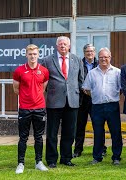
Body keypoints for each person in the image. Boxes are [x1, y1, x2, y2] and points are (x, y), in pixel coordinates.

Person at [42, 36, 84, 168]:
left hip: (72, 101)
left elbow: (81, 79)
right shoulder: (47, 60)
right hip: (54, 101)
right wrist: (53, 91)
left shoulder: (77, 60)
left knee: (69, 132)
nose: (63, 46)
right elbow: (43, 81)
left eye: (65, 44)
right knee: (52, 133)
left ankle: (66, 158)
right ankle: (51, 160)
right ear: (56, 46)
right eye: (60, 44)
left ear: (69, 46)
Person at [82, 47, 123, 165]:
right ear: (98, 58)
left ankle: (116, 157)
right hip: (97, 107)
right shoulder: (92, 73)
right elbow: (86, 89)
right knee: (98, 133)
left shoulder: (117, 72)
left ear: (110, 58)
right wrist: (97, 95)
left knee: (115, 132)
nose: (103, 59)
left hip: (112, 106)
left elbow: (121, 89)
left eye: (106, 57)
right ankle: (97, 157)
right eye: (101, 57)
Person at [13, 44, 50, 174]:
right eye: (30, 54)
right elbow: (16, 89)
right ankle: (20, 163)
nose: (32, 56)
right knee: (23, 137)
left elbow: (43, 88)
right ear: (26, 55)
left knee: (39, 137)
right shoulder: (19, 71)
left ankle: (38, 162)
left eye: (35, 54)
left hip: (40, 108)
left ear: (38, 55)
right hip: (24, 108)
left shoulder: (44, 71)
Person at [73, 44, 107, 158]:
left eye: (92, 51)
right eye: (87, 51)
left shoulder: (100, 63)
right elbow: (75, 78)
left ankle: (102, 149)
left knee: (98, 125)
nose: (90, 53)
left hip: (96, 99)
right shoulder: (78, 64)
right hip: (82, 99)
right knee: (80, 126)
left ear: (95, 52)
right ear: (84, 53)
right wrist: (82, 87)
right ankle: (78, 150)